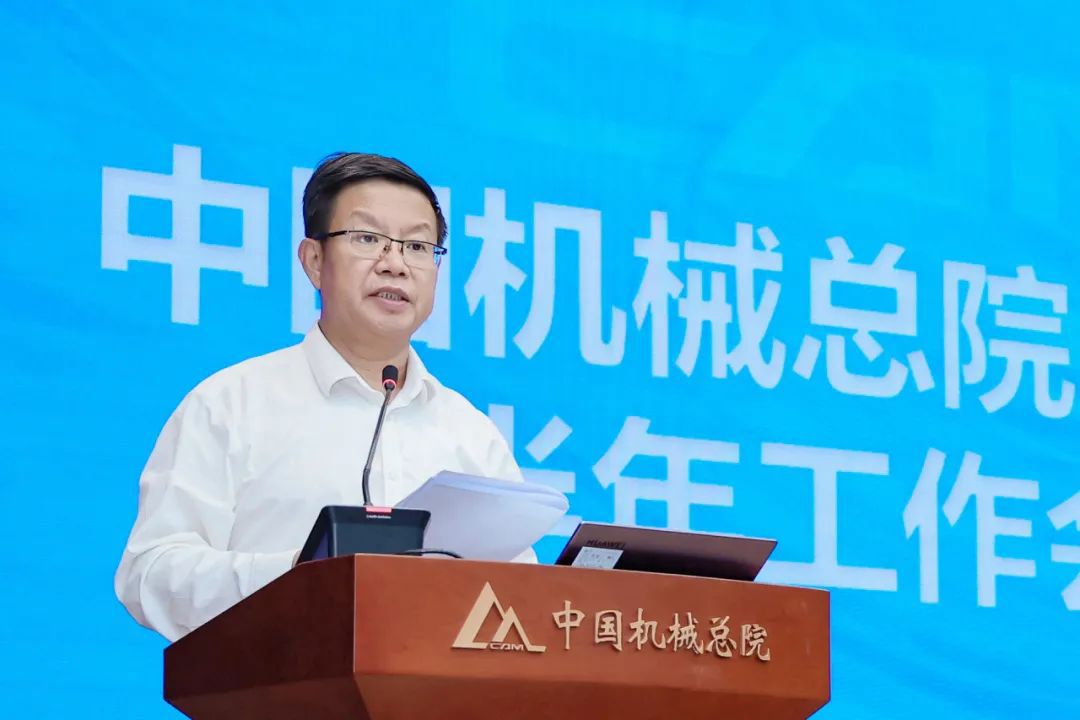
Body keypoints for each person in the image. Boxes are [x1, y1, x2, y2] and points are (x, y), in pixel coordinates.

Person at [115, 153, 531, 642]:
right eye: (368, 238)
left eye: (418, 246)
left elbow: (522, 595)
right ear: (314, 261)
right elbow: (150, 573)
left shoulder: (469, 432)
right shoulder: (231, 404)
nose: (395, 264)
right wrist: (300, 577)